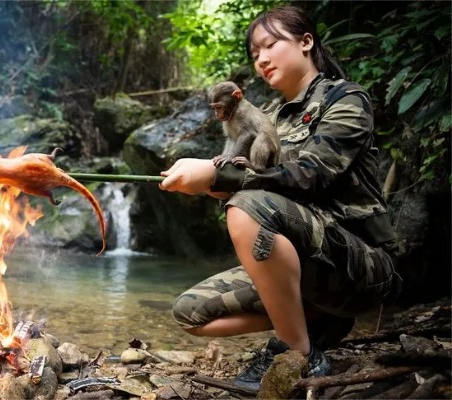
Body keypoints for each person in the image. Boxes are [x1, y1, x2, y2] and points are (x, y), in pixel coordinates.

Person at [159, 5, 401, 392]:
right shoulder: (265, 116)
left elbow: (312, 174)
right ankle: (315, 318)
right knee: (190, 313)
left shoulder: (347, 99)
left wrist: (223, 175)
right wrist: (210, 182)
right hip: (303, 262)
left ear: (306, 42)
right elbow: (256, 180)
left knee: (245, 208)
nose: (262, 59)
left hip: (361, 264)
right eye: (255, 54)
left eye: (270, 45)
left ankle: (295, 352)